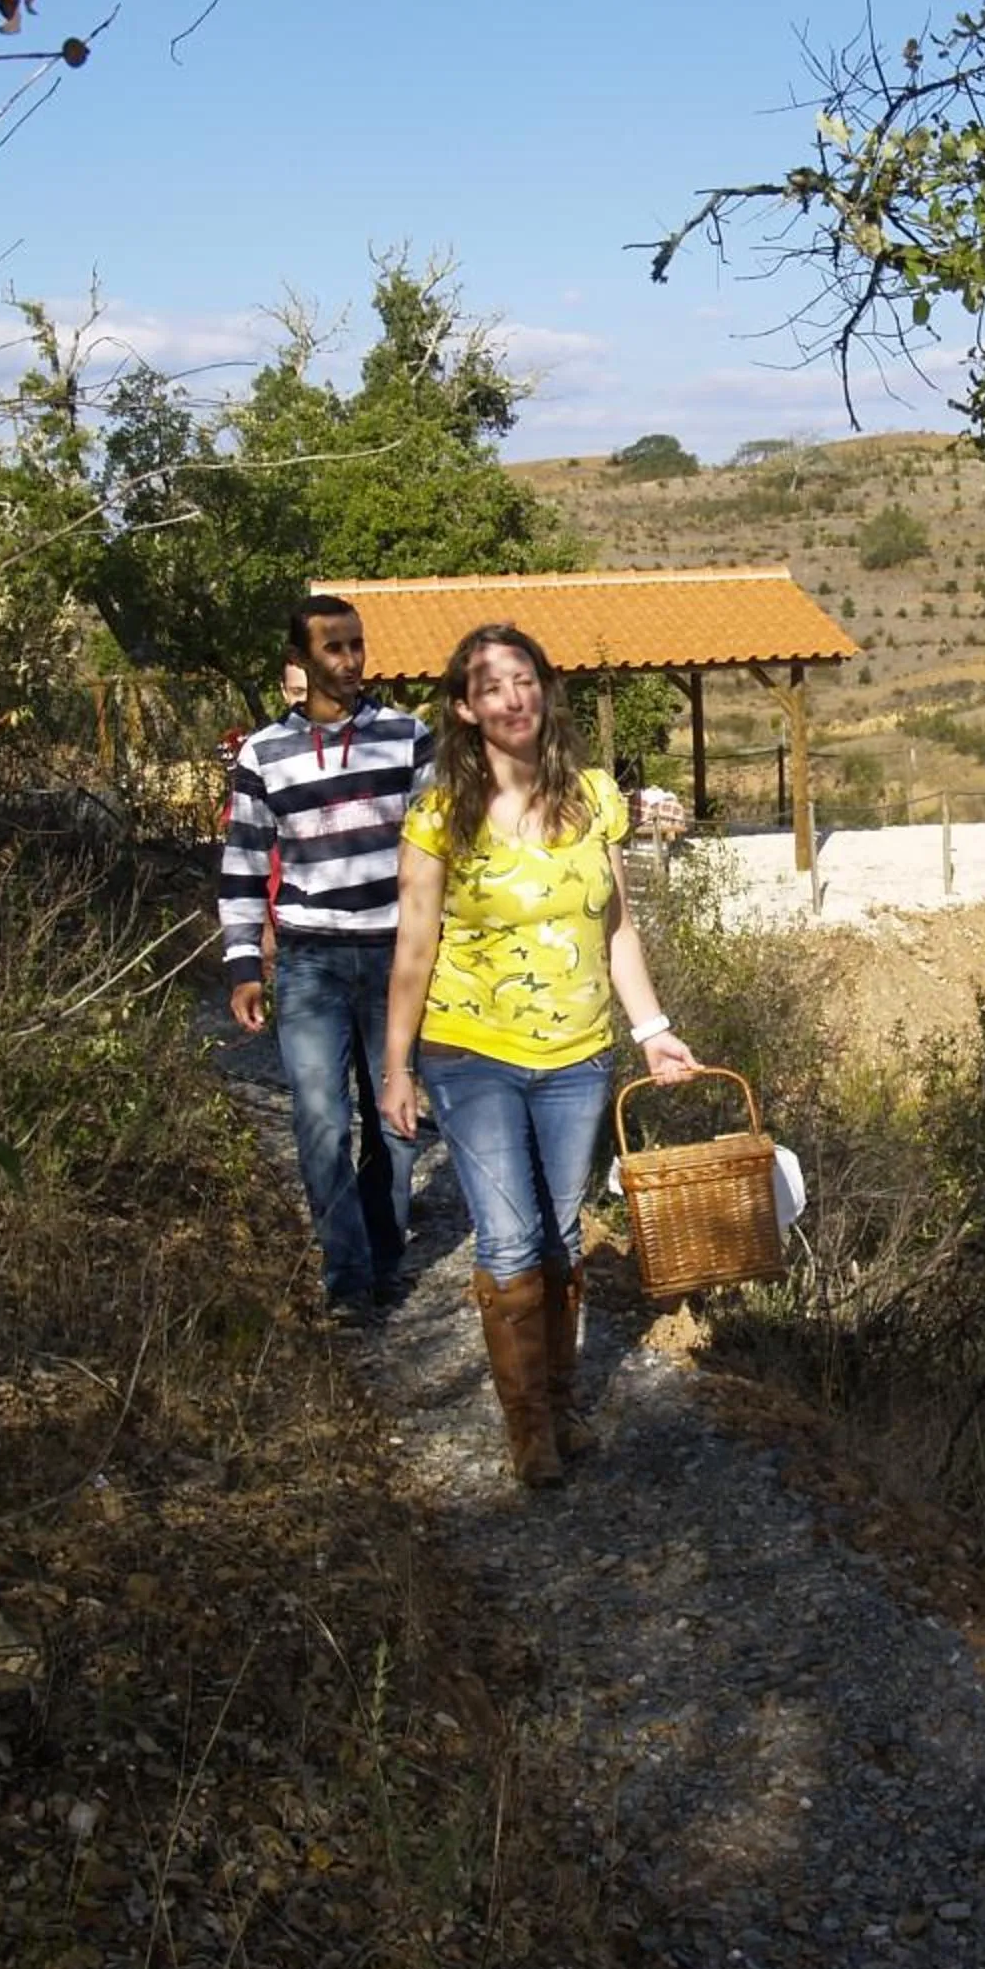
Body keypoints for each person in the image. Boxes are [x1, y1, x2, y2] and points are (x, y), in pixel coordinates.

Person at [381, 622, 697, 1488]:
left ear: (543, 691)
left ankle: (560, 1406)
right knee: (513, 1235)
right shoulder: (441, 813)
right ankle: (528, 1431)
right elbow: (412, 944)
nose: (511, 699)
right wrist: (397, 1063)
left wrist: (650, 1029)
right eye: (491, 686)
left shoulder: (595, 798)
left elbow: (617, 927)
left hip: (581, 1055)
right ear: (464, 707)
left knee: (560, 1229)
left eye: (523, 680)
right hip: (469, 1050)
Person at [221, 594, 432, 1323]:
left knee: (393, 1120)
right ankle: (348, 1281)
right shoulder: (261, 755)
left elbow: (444, 854)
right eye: (333, 649)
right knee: (318, 1120)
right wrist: (243, 963)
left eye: (356, 646)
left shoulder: (408, 738)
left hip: (396, 959)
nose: (349, 662)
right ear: (300, 661)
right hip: (310, 959)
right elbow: (244, 864)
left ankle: (384, 1255)